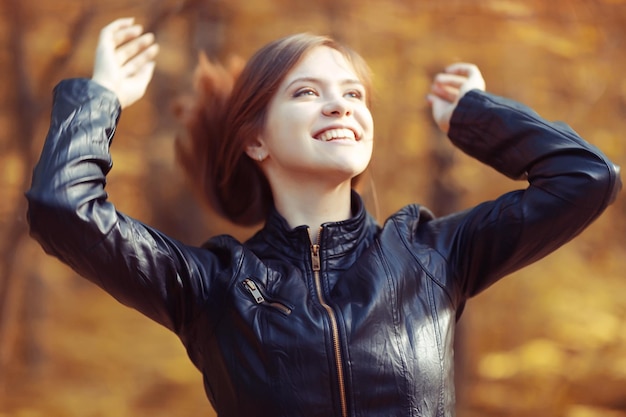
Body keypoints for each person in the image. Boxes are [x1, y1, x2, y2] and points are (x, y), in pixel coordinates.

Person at [26, 17, 621, 417]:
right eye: (306, 92)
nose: (341, 103)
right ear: (256, 141)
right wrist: (100, 95)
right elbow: (63, 208)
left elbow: (586, 178)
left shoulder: (432, 255)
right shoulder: (213, 286)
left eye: (354, 94)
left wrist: (472, 115)